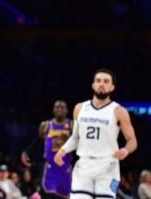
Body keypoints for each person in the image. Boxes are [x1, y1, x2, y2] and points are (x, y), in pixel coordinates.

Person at [54, 69, 138, 199]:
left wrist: (125, 151)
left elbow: (132, 140)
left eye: (106, 81)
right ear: (93, 85)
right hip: (84, 165)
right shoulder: (79, 108)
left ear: (112, 87)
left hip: (108, 166)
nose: (101, 84)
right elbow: (76, 137)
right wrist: (63, 150)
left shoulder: (119, 111)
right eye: (98, 81)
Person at [22, 100, 73, 199]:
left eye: (62, 107)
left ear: (67, 110)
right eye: (57, 107)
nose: (59, 109)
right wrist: (27, 152)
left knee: (65, 194)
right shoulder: (46, 125)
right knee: (47, 193)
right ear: (53, 110)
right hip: (49, 165)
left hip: (65, 165)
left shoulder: (72, 125)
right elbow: (38, 141)